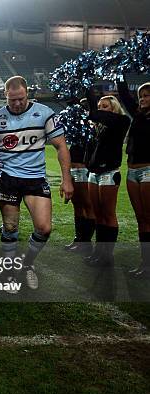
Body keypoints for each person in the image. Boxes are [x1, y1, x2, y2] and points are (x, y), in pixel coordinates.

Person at [0, 76, 74, 293]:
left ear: (27, 94)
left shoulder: (44, 113)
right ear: (5, 96)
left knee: (44, 228)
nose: (17, 103)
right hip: (8, 179)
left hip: (35, 178)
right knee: (11, 227)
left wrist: (66, 179)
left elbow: (61, 146)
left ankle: (28, 263)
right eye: (12, 99)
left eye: (21, 99)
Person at [83, 92, 130, 267]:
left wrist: (90, 95)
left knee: (108, 214)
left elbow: (98, 116)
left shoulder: (121, 121)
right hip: (94, 173)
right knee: (98, 214)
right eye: (99, 107)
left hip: (109, 172)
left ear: (114, 108)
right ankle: (99, 252)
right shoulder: (98, 127)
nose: (100, 110)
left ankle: (107, 254)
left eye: (105, 107)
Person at [117, 80, 150, 278]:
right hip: (132, 171)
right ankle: (144, 263)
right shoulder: (137, 115)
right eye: (141, 96)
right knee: (141, 219)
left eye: (147, 95)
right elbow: (124, 95)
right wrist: (119, 70)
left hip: (148, 170)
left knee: (149, 217)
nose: (143, 99)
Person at [65, 98, 95, 255]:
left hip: (84, 169)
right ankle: (79, 239)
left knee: (87, 205)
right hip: (74, 169)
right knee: (77, 206)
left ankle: (86, 242)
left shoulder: (92, 128)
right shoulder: (76, 128)